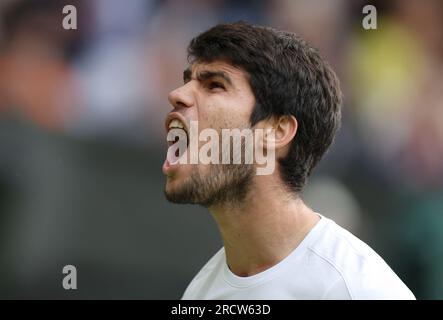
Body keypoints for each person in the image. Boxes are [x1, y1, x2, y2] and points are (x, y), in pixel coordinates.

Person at [162, 21, 415, 300]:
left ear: (277, 131)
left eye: (214, 85)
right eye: (188, 82)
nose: (178, 94)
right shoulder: (200, 293)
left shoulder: (360, 290)